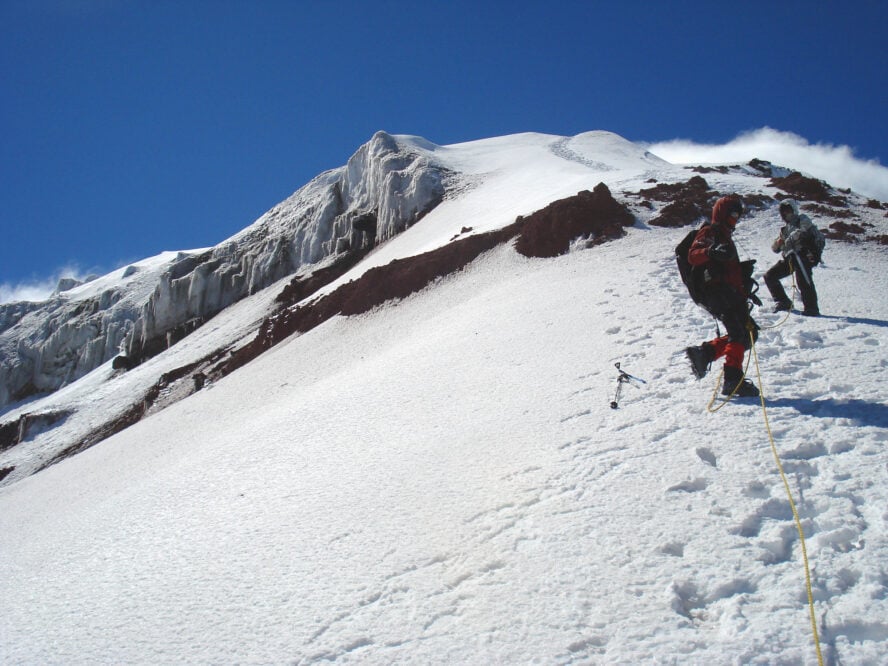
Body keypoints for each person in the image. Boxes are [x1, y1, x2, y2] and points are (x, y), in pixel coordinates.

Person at [684, 194, 761, 397]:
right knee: (738, 332)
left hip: (732, 293)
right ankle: (733, 380)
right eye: (732, 214)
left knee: (750, 333)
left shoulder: (726, 237)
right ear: (723, 213)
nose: (735, 219)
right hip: (717, 292)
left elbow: (730, 272)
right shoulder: (710, 231)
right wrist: (710, 251)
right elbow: (693, 255)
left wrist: (746, 289)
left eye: (737, 216)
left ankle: (704, 354)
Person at [764, 199, 821, 316]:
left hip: (803, 255)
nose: (785, 214)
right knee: (770, 276)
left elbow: (804, 229)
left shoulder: (802, 219)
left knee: (804, 280)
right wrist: (780, 242)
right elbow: (775, 248)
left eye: (787, 211)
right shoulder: (784, 230)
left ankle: (811, 309)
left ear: (794, 210)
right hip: (790, 258)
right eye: (783, 212)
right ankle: (783, 301)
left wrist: (789, 238)